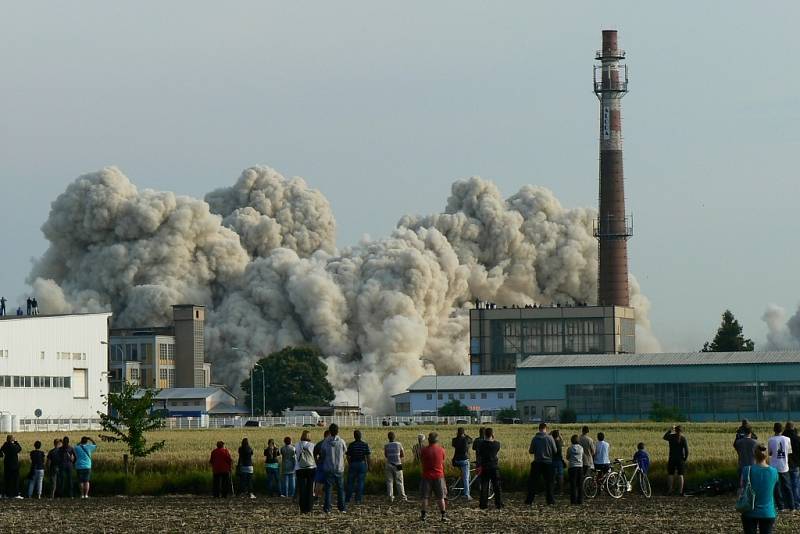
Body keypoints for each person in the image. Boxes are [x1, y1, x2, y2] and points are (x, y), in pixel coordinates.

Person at [740, 443, 778, 534]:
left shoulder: (746, 470)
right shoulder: (774, 471)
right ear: (766, 455)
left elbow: (741, 486)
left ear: (754, 454)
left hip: (749, 511)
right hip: (768, 512)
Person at [525, 422, 557, 506]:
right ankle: (550, 500)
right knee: (549, 482)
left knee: (533, 483)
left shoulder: (535, 438)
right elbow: (555, 451)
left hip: (537, 463)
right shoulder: (550, 438)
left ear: (539, 429)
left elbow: (531, 451)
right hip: (548, 463)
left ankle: (529, 500)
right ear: (546, 429)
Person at [419, 432, 448, 522]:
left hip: (427, 475)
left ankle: (423, 515)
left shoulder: (424, 450)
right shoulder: (441, 450)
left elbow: (421, 460)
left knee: (425, 497)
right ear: (437, 440)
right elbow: (442, 461)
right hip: (439, 475)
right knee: (441, 497)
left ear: (429, 440)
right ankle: (443, 515)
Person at [767, 422, 794, 511]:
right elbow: (789, 452)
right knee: (787, 487)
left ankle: (780, 507)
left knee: (777, 488)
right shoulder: (787, 439)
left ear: (774, 429)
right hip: (784, 466)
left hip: (774, 466)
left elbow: (770, 453)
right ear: (782, 430)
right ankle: (791, 506)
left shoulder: (771, 440)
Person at [321, 423, 347, 514]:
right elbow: (345, 452)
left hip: (328, 468)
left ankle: (327, 508)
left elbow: (322, 454)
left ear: (330, 431)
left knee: (328, 489)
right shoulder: (341, 441)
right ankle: (342, 508)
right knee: (340, 489)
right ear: (337, 431)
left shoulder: (325, 442)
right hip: (339, 468)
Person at [476, 427, 503, 509]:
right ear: (492, 434)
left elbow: (479, 453)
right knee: (497, 486)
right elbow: (496, 449)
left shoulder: (481, 444)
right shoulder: (497, 444)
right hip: (494, 467)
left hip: (484, 467)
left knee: (484, 486)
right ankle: (499, 504)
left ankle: (483, 504)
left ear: (484, 434)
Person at [345, 429, 370, 505]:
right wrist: (369, 465)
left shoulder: (351, 445)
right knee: (360, 482)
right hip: (362, 464)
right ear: (360, 436)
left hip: (353, 464)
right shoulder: (365, 445)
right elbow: (368, 456)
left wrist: (350, 463)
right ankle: (358, 499)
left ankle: (347, 499)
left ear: (354, 436)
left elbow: (348, 456)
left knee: (350, 482)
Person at [295, 430, 316, 513]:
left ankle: (302, 508)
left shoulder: (297, 445)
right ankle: (309, 507)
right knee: (310, 488)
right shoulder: (312, 445)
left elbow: (296, 455)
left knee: (302, 489)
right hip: (311, 468)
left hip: (300, 468)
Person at [663, 425, 689, 495]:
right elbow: (686, 450)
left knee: (670, 474)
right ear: (681, 431)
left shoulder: (671, 437)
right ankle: (680, 491)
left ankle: (670, 490)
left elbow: (664, 437)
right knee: (681, 475)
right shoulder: (683, 438)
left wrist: (670, 430)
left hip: (671, 458)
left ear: (675, 430)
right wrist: (685, 458)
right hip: (680, 459)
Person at [384, 431, 407, 502]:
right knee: (399, 481)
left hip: (389, 464)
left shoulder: (386, 445)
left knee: (389, 481)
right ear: (394, 437)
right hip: (398, 464)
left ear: (388, 437)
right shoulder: (399, 444)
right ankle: (402, 497)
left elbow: (386, 455)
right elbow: (402, 454)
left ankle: (390, 497)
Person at [782, 421, 800, 509]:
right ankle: (796, 504)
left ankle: (787, 504)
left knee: (786, 485)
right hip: (795, 464)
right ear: (793, 428)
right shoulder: (797, 438)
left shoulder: (782, 438)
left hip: (784, 465)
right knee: (796, 485)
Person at [451, 427, 473, 499]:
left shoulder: (454, 440)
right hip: (464, 460)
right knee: (466, 478)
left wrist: (459, 435)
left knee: (463, 476)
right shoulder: (465, 439)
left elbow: (454, 444)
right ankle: (467, 494)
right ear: (463, 432)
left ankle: (460, 488)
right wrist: (465, 435)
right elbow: (471, 440)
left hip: (456, 460)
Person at [566, 434, 584, 505]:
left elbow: (567, 457)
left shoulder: (570, 448)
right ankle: (580, 500)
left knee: (573, 485)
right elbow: (582, 456)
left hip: (572, 467)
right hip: (580, 466)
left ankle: (573, 501)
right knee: (580, 484)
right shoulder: (581, 448)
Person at [313, 430, 330, 499]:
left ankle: (317, 496)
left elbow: (314, 454)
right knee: (328, 481)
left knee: (319, 481)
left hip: (320, 464)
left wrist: (316, 462)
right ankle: (326, 497)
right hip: (328, 464)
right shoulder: (330, 444)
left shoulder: (319, 443)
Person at [551, 429, 565, 494]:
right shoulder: (559, 442)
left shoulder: (551, 442)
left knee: (553, 476)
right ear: (558, 436)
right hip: (559, 461)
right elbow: (563, 443)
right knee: (560, 476)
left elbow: (545, 439)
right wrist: (560, 435)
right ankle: (561, 491)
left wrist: (549, 434)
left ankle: (552, 490)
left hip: (552, 461)